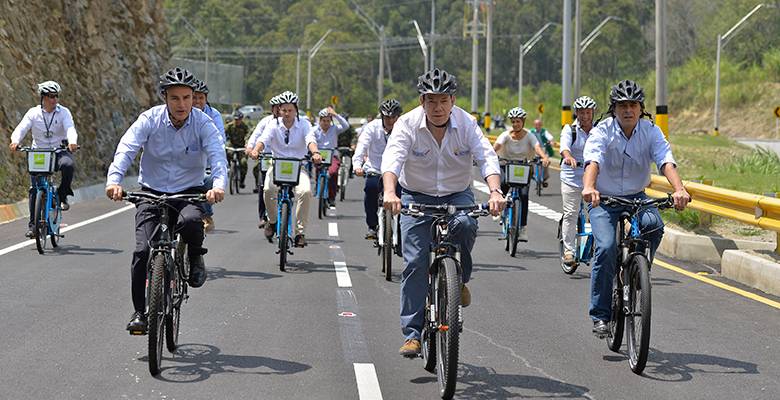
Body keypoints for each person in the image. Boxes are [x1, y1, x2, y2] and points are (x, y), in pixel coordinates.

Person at [380, 68, 504, 357]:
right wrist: (389, 192)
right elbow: (393, 158)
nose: (438, 108)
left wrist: (495, 192)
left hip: (456, 194)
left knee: (466, 226)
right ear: (422, 101)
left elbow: (486, 156)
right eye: (431, 101)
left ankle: (459, 280)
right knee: (415, 261)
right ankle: (412, 333)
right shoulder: (407, 124)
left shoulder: (467, 123)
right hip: (416, 196)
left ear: (453, 100)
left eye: (443, 101)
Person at [105, 67, 227, 333]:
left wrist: (217, 186)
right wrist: (113, 181)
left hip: (188, 191)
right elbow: (127, 147)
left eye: (187, 97)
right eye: (175, 98)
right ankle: (139, 312)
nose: (182, 104)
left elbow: (217, 155)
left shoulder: (203, 123)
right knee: (141, 251)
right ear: (165, 97)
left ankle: (195, 257)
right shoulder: (149, 119)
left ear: (194, 97)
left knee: (194, 221)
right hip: (152, 191)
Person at [582, 79, 690, 337]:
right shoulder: (603, 130)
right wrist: (589, 187)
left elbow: (665, 160)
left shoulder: (651, 131)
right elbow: (593, 159)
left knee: (654, 225)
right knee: (607, 248)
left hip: (637, 196)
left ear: (641, 108)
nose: (628, 110)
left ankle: (637, 270)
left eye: (633, 105)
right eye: (622, 106)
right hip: (604, 199)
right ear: (613, 109)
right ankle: (600, 315)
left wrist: (679, 189)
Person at [249, 91, 322, 247]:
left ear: (296, 110)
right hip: (277, 165)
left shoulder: (304, 124)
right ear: (279, 110)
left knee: (305, 192)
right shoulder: (272, 124)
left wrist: (315, 152)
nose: (287, 114)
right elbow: (263, 139)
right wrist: (256, 150)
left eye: (290, 110)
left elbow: (310, 140)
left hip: (298, 166)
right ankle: (273, 221)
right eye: (284, 110)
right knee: (267, 189)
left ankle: (300, 233)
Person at [10, 81, 79, 238]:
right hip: (39, 154)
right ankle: (33, 226)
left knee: (68, 165)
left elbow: (70, 128)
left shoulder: (64, 112)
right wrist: (15, 141)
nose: (54, 100)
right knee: (35, 188)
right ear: (43, 97)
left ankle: (62, 195)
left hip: (59, 151)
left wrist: (72, 142)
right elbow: (21, 128)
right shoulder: (33, 113)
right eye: (51, 97)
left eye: (56, 96)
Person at [492, 107, 550, 242]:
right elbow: (497, 146)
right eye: (513, 122)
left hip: (524, 166)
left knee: (523, 196)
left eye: (518, 121)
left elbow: (537, 147)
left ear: (523, 122)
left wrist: (544, 157)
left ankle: (522, 228)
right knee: (503, 185)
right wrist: (490, 155)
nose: (515, 124)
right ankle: (500, 208)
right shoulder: (506, 135)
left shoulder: (529, 135)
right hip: (507, 164)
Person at [353, 99, 403, 239]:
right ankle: (372, 226)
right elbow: (362, 146)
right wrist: (357, 165)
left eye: (393, 117)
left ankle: (400, 229)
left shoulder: (404, 127)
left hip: (397, 172)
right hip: (376, 169)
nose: (390, 121)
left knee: (403, 197)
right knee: (370, 189)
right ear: (381, 116)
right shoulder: (372, 127)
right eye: (387, 117)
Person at [559, 96, 597, 266]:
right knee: (571, 213)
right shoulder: (570, 130)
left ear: (592, 113)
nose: (585, 116)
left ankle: (595, 246)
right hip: (571, 177)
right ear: (576, 113)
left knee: (598, 214)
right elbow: (564, 148)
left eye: (588, 112)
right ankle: (568, 251)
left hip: (594, 179)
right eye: (581, 112)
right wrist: (568, 157)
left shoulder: (599, 130)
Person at [192, 79, 225, 232]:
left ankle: (207, 214)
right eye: (194, 97)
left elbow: (219, 140)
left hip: (207, 163)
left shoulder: (213, 115)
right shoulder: (180, 113)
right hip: (184, 163)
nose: (197, 101)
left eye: (201, 98)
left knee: (208, 181)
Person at [246, 95, 282, 228]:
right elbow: (255, 135)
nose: (279, 111)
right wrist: (251, 148)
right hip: (266, 157)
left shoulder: (290, 123)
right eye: (276, 108)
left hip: (283, 160)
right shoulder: (266, 121)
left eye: (281, 108)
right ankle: (263, 216)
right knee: (263, 186)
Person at [312, 106, 349, 206]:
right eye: (323, 121)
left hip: (332, 155)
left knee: (332, 172)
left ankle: (331, 197)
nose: (326, 123)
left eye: (328, 121)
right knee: (318, 170)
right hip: (319, 155)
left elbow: (346, 126)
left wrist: (335, 115)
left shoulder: (335, 129)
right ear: (320, 121)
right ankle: (318, 186)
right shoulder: (314, 130)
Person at [225, 110, 250, 189]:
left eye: (238, 119)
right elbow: (222, 134)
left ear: (241, 119)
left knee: (243, 163)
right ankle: (229, 167)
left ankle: (242, 181)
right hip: (232, 146)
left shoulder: (245, 127)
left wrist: (247, 143)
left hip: (242, 147)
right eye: (235, 119)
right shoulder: (229, 126)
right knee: (228, 152)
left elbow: (248, 136)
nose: (237, 121)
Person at [529, 118, 554, 187]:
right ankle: (531, 174)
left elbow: (550, 138)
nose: (537, 126)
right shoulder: (531, 132)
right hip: (534, 150)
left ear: (541, 125)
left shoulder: (544, 132)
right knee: (530, 162)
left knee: (546, 163)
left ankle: (544, 177)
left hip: (543, 150)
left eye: (539, 125)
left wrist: (551, 142)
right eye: (536, 124)